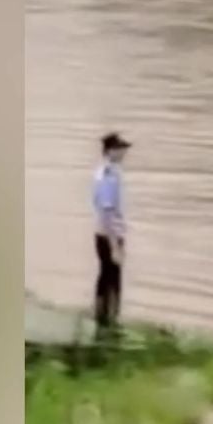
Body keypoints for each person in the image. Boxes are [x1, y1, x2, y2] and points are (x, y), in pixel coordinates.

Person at [93, 132, 131, 331]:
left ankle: (100, 319)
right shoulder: (110, 176)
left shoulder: (101, 172)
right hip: (109, 235)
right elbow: (107, 210)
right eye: (120, 149)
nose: (124, 152)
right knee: (113, 281)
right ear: (110, 151)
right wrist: (115, 245)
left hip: (102, 233)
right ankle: (111, 322)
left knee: (104, 277)